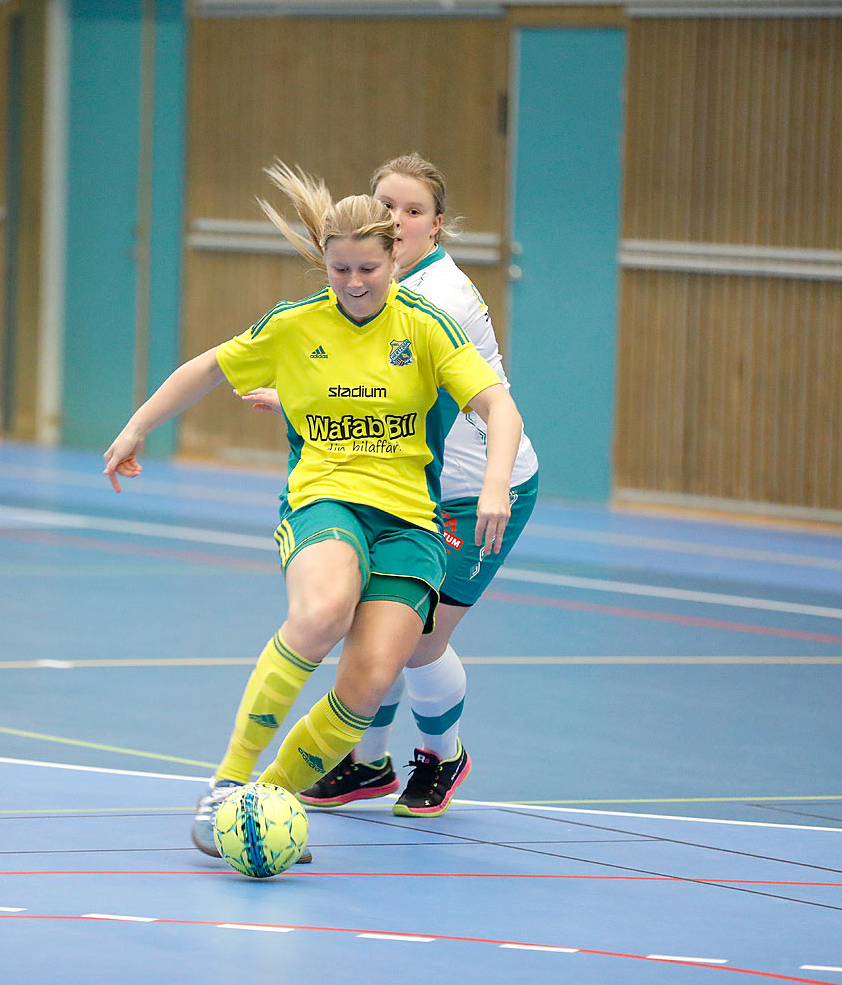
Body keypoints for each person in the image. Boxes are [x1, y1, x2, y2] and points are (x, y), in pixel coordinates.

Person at [103, 161, 524, 860]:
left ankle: (265, 799)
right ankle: (225, 785)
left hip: (410, 525)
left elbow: (498, 405)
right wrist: (136, 426)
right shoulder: (295, 326)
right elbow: (207, 367)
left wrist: (494, 483)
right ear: (324, 265)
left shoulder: (424, 327)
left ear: (394, 258)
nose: (355, 284)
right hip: (325, 502)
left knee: (367, 687)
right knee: (321, 612)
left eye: (368, 269)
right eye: (340, 271)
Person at [238, 153, 541, 818]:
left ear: (438, 225)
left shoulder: (437, 301)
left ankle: (443, 756)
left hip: (474, 489)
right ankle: (366, 761)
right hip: (402, 485)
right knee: (368, 627)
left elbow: (396, 396)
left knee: (418, 639)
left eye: (413, 211)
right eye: (388, 206)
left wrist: (305, 397)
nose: (399, 221)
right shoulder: (377, 282)